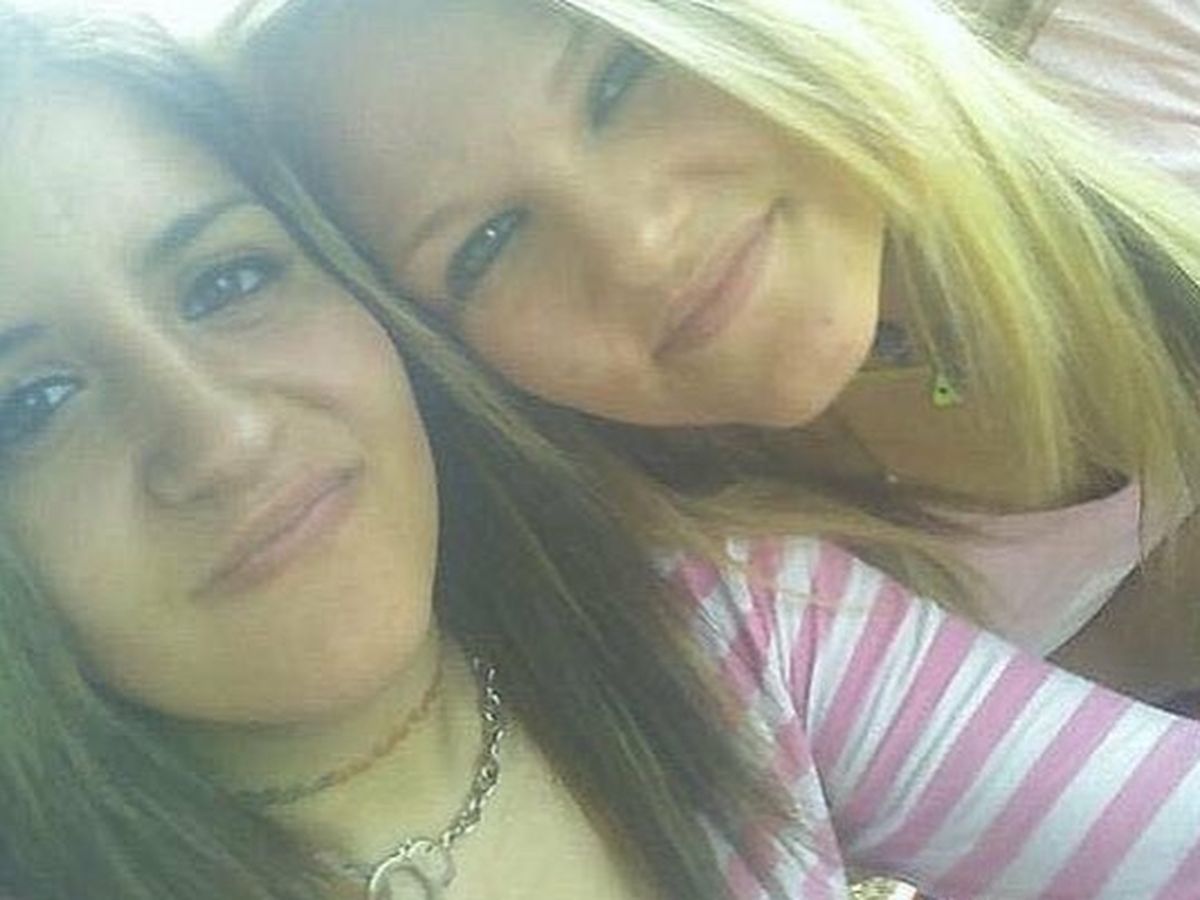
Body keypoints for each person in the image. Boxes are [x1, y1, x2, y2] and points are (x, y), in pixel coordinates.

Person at [3, 7, 1200, 900]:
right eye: (28, 405)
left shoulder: (723, 626)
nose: (224, 438)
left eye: (228, 280)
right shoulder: (690, 539)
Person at [222, 0, 1200, 710]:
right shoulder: (691, 574)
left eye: (620, 79)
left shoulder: (1136, 57)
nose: (641, 248)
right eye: (485, 245)